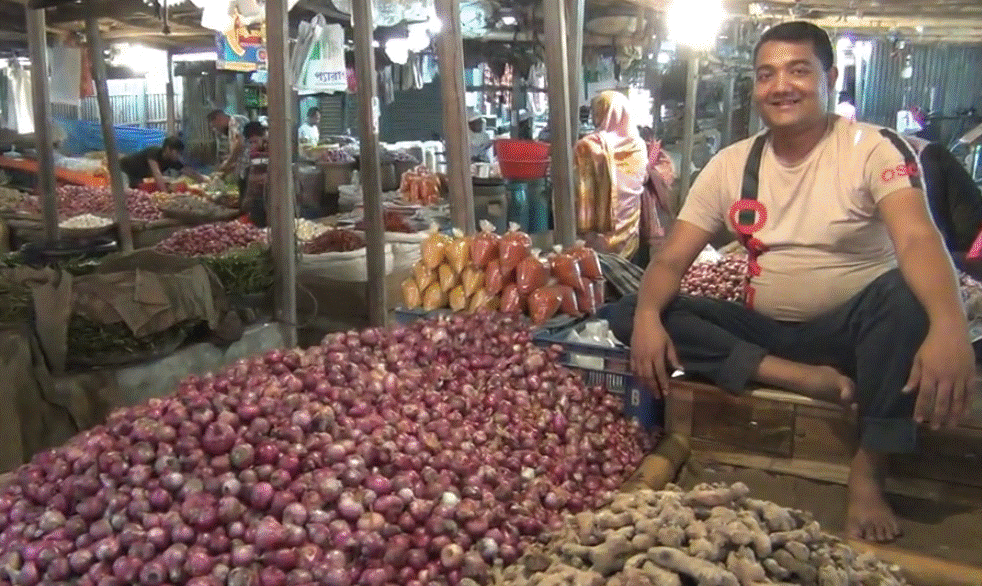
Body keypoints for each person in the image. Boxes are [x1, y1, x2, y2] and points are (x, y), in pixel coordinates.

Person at [611, 21, 974, 543]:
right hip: (768, 333)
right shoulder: (732, 164)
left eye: (798, 71)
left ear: (829, 77)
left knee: (905, 298)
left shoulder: (873, 149)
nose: (781, 85)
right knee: (627, 310)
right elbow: (670, 260)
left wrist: (950, 326)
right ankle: (798, 376)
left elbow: (919, 240)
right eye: (767, 74)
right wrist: (647, 317)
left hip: (856, 332)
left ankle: (869, 469)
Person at [574, 90, 648, 260]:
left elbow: (581, 191)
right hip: (630, 232)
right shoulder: (639, 145)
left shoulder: (588, 146)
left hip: (598, 238)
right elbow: (641, 178)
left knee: (598, 278)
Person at [119, 136, 205, 191]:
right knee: (126, 193)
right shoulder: (154, 152)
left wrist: (201, 178)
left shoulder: (171, 160)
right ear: (168, 149)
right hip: (122, 170)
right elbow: (157, 174)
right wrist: (165, 195)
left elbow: (186, 170)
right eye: (177, 152)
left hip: (136, 175)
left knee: (137, 192)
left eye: (180, 153)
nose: (179, 156)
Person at [208, 109, 250, 196]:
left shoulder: (235, 121)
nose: (217, 130)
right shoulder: (231, 128)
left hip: (249, 169)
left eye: (216, 126)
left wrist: (228, 162)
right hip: (244, 171)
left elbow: (240, 143)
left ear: (219, 119)